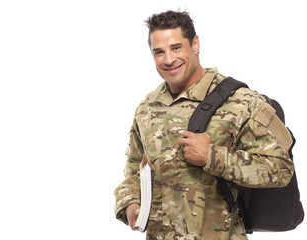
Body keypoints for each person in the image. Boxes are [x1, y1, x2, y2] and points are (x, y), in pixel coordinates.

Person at [114, 10, 294, 240]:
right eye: (159, 52)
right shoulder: (148, 106)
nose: (168, 60)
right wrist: (130, 204)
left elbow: (281, 169)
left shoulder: (242, 101)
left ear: (195, 44)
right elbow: (133, 169)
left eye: (176, 48)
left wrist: (212, 157)